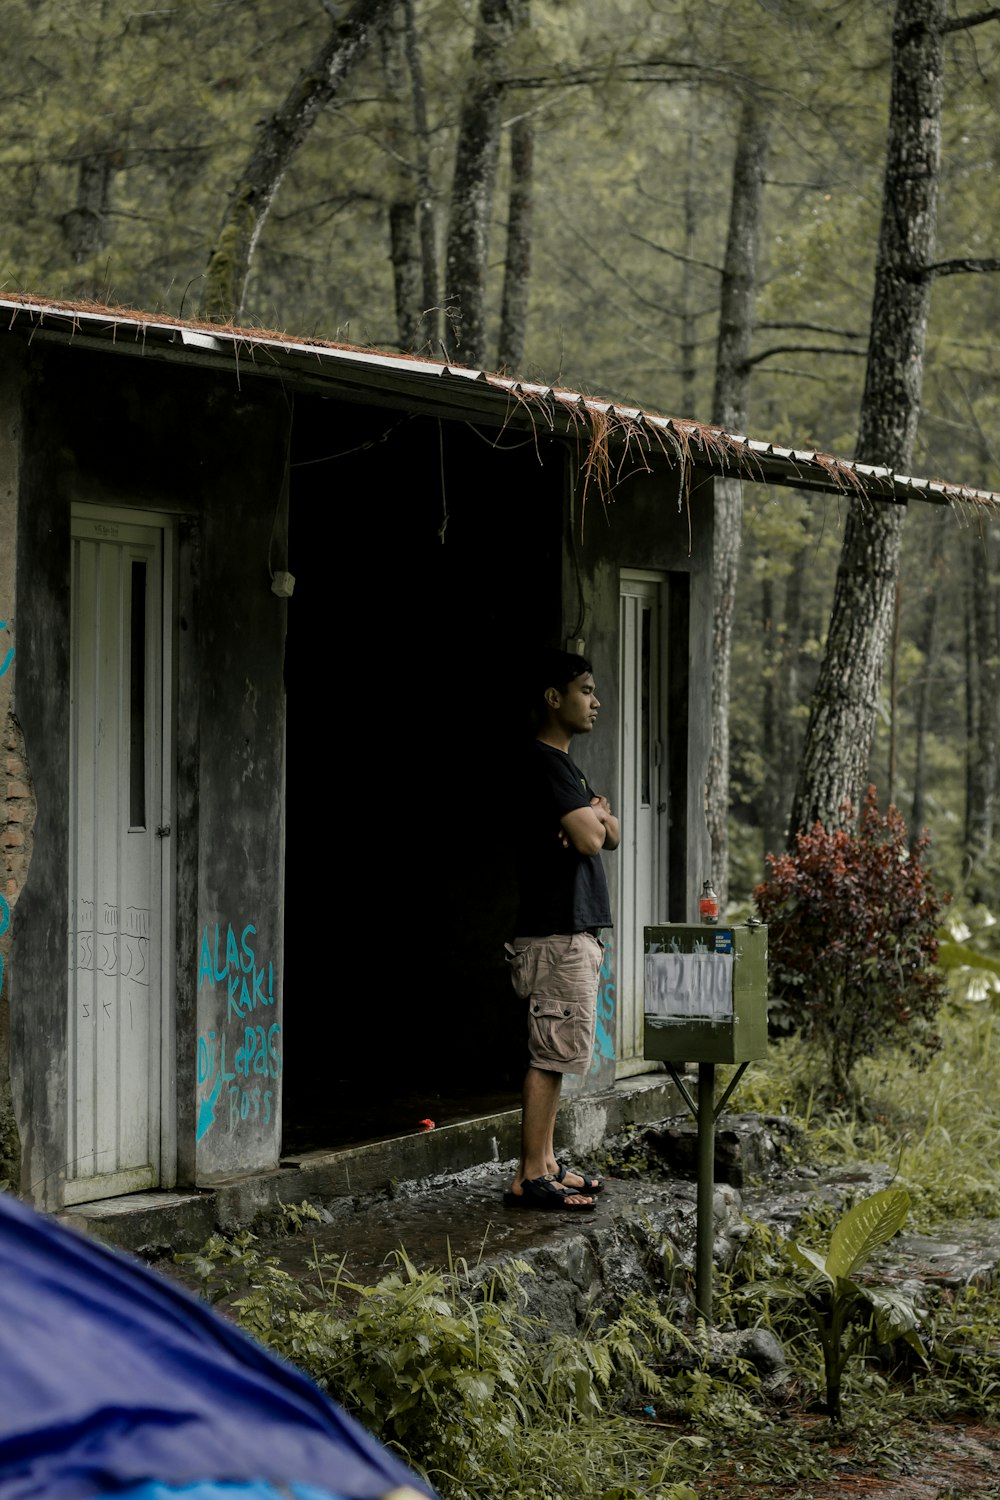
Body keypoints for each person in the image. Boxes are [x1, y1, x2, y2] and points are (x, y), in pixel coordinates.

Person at [503, 648, 620, 1212]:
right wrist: (592, 819)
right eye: (586, 690)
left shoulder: (565, 765)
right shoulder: (543, 764)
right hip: (555, 932)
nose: (595, 701)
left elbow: (608, 831)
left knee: (559, 1050)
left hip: (571, 931)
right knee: (550, 1055)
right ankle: (530, 1175)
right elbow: (596, 839)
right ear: (554, 697)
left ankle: (548, 1162)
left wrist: (592, 817)